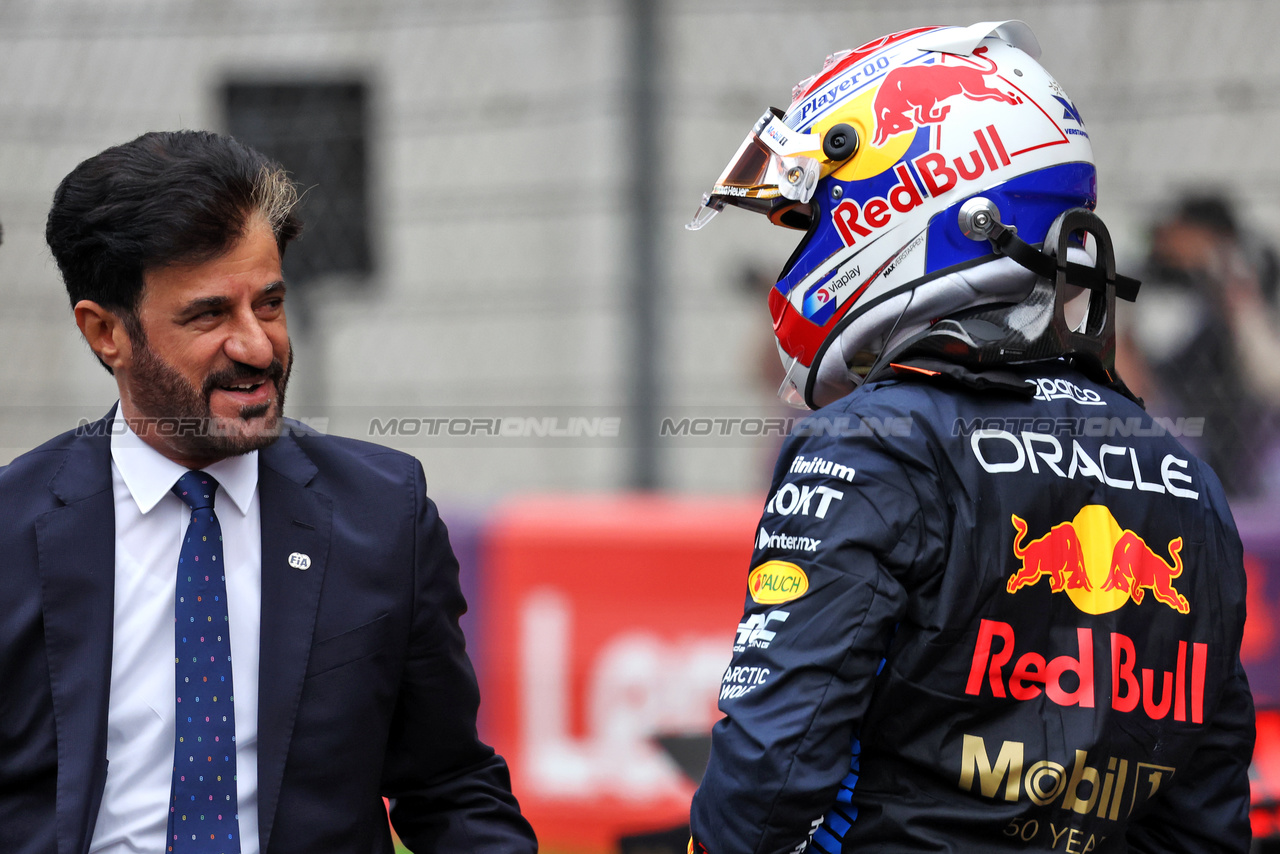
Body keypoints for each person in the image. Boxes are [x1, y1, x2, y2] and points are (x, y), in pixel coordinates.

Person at [684, 21, 1254, 853]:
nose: (806, 246)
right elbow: (1203, 827)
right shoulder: (1184, 475)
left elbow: (767, 779)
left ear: (921, 197)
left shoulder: (871, 443)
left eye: (812, 216)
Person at [0, 131, 537, 854]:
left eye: (271, 304)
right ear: (106, 333)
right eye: (209, 315)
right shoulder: (12, 530)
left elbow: (448, 788)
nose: (257, 347)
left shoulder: (383, 514)